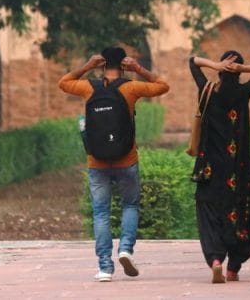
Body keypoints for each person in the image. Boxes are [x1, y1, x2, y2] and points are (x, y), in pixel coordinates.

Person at [59, 47, 169, 282]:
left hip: (96, 160)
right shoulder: (131, 88)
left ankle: (105, 268)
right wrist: (139, 69)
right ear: (123, 65)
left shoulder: (88, 87)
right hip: (126, 158)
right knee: (130, 205)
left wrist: (88, 66)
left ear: (103, 63)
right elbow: (163, 86)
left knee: (101, 213)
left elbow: (64, 82)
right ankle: (126, 249)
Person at [189, 51, 250, 283]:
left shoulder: (207, 90)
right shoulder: (243, 93)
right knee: (239, 213)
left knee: (209, 211)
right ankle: (233, 268)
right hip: (238, 169)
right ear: (237, 73)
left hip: (210, 168)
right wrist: (243, 69)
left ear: (221, 70)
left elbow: (193, 61)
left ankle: (216, 260)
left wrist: (217, 64)